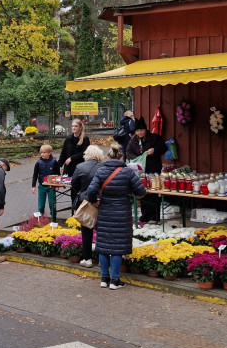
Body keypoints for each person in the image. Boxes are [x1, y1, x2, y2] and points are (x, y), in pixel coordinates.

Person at [85, 143, 147, 289]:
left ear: (108, 156)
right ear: (121, 157)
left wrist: (95, 202)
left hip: (105, 212)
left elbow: (90, 192)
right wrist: (130, 192)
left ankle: (103, 279)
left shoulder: (101, 172)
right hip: (122, 213)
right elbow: (141, 191)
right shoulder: (127, 172)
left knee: (104, 246)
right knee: (117, 247)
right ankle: (115, 281)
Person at [124, 117, 164, 223]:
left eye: (141, 130)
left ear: (145, 130)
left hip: (153, 170)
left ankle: (155, 216)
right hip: (141, 172)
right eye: (137, 131)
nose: (139, 133)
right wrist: (138, 159)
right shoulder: (133, 140)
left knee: (154, 193)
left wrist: (154, 150)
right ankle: (145, 215)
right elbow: (128, 152)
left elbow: (163, 148)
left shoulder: (155, 138)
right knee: (143, 192)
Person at [70, 144, 105, 267]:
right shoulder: (104, 166)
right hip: (102, 201)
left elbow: (74, 184)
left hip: (85, 202)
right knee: (102, 230)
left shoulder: (80, 166)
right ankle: (102, 260)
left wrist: (82, 191)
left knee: (86, 230)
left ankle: (87, 259)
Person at [31, 143, 59, 219]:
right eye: (41, 153)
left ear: (50, 153)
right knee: (41, 205)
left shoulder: (54, 162)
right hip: (42, 186)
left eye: (44, 152)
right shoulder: (38, 163)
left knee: (52, 204)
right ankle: (41, 221)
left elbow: (57, 174)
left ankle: (54, 220)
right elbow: (35, 175)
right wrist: (33, 186)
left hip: (51, 186)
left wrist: (57, 185)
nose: (42, 154)